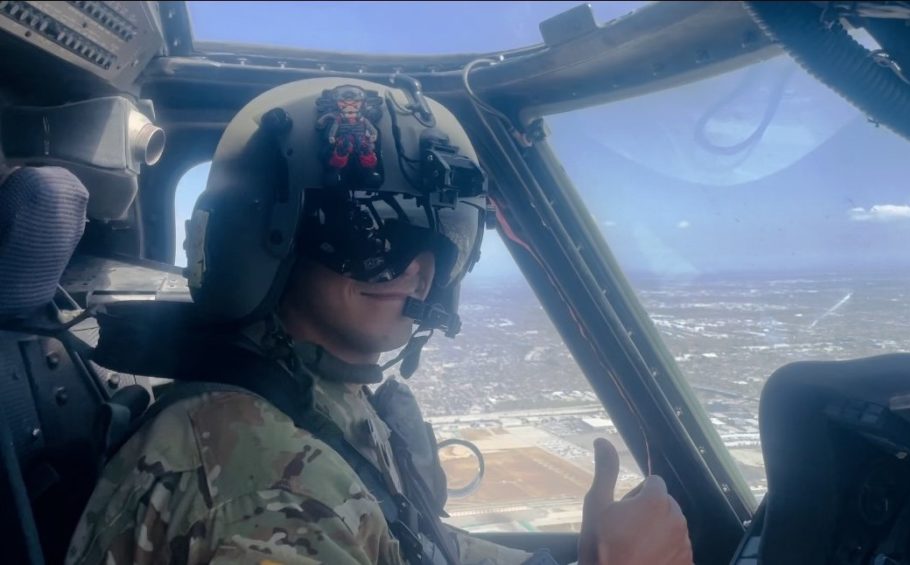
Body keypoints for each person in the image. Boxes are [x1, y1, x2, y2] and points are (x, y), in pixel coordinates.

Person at [65, 77, 693, 565]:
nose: (417, 271)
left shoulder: (314, 398)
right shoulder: (263, 491)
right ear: (269, 239)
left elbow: (410, 543)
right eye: (373, 235)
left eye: (442, 238)